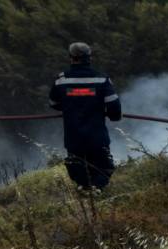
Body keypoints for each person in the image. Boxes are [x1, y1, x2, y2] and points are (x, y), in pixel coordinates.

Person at [49, 42, 121, 189]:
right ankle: (98, 199)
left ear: (71, 58)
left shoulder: (61, 79)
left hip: (74, 138)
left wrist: (71, 108)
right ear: (89, 58)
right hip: (97, 138)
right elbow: (114, 107)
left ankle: (87, 198)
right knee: (103, 170)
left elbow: (53, 103)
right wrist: (113, 116)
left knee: (79, 174)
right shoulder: (101, 78)